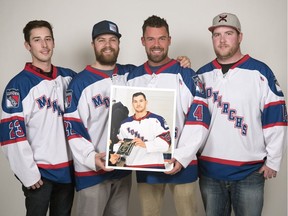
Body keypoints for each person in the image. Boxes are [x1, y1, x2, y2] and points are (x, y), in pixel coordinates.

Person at [63, 20, 191, 216]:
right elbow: (73, 128)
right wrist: (90, 158)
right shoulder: (80, 83)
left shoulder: (129, 74)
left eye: (113, 40)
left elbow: (156, 71)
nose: (107, 45)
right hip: (93, 172)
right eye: (101, 40)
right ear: (93, 44)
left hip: (122, 170)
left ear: (119, 44)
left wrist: (181, 63)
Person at [196, 12, 287, 216]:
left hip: (249, 172)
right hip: (210, 172)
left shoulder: (260, 72)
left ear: (240, 37)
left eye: (228, 33)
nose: (222, 40)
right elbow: (190, 119)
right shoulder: (201, 75)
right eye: (217, 34)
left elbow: (276, 118)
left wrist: (273, 160)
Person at [126, 15, 208, 216]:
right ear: (143, 41)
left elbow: (199, 119)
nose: (156, 44)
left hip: (182, 162)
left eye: (162, 38)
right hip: (145, 163)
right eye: (151, 39)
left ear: (169, 40)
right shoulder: (132, 77)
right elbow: (126, 121)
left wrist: (182, 157)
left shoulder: (187, 74)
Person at [0, 20, 76, 216]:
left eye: (48, 39)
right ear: (28, 45)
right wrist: (28, 174)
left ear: (54, 42)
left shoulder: (70, 78)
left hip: (67, 171)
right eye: (37, 40)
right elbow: (11, 135)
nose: (44, 45)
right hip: (39, 175)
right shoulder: (18, 85)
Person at [110, 92, 172, 169]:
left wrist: (145, 144)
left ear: (146, 102)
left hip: (154, 166)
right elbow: (122, 145)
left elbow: (166, 143)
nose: (138, 104)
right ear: (132, 104)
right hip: (131, 166)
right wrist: (117, 155)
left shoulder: (158, 119)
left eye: (141, 101)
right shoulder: (124, 123)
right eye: (135, 101)